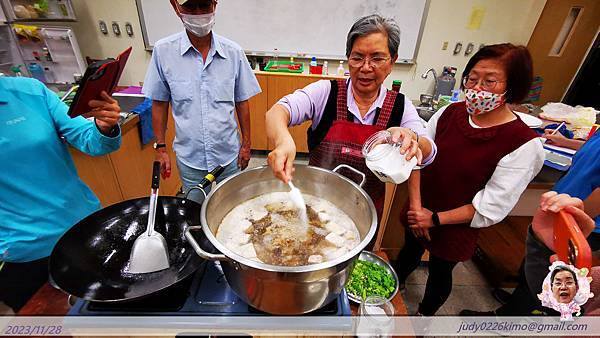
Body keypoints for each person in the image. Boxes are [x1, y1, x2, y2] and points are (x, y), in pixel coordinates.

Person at [395, 43, 546, 316]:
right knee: (408, 251)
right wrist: (417, 209)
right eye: (473, 79)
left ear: (512, 86)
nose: (477, 89)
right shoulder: (449, 113)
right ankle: (396, 287)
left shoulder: (523, 144)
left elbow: (491, 205)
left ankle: (424, 317)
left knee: (441, 272)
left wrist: (435, 219)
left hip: (455, 224)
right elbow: (417, 154)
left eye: (490, 81)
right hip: (421, 207)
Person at [265, 14, 436, 220]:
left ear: (392, 62)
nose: (365, 67)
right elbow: (278, 111)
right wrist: (283, 141)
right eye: (357, 58)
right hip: (315, 208)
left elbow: (428, 148)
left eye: (377, 58)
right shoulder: (326, 92)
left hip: (364, 213)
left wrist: (412, 139)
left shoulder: (400, 106)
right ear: (348, 59)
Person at [0, 77, 122, 312]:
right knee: (50, 324)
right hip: (21, 252)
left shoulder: (31, 92)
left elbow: (91, 141)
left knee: (108, 314)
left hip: (84, 230)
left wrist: (103, 126)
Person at [461, 127, 600, 316]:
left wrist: (572, 222)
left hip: (579, 222)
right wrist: (566, 142)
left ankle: (507, 318)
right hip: (562, 210)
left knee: (547, 272)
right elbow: (593, 147)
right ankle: (520, 302)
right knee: (533, 264)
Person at [143, 0, 261, 203]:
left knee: (231, 208)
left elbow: (242, 102)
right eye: (190, 6)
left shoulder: (233, 53)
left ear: (215, 5)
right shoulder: (163, 52)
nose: (198, 14)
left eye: (204, 5)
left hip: (228, 156)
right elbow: (159, 103)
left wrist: (246, 144)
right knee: (193, 210)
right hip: (190, 158)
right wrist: (160, 149)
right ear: (176, 6)